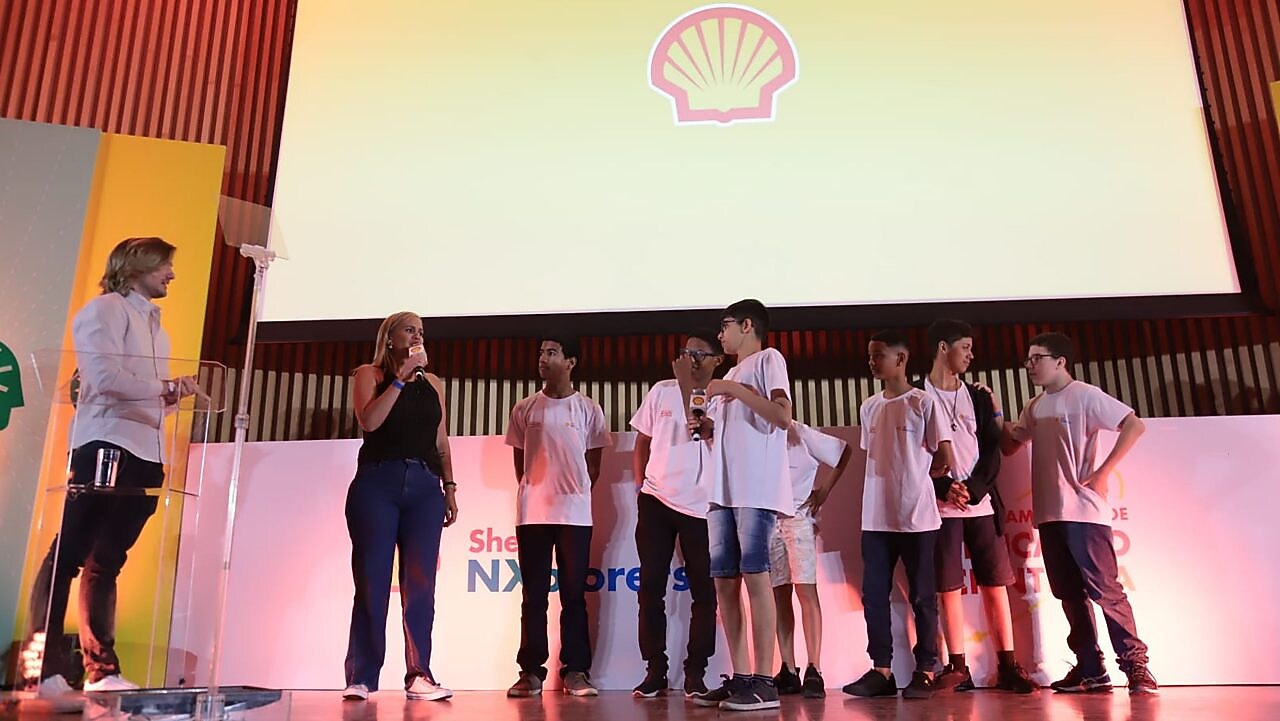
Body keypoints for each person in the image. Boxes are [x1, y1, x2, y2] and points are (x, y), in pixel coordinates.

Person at [27, 236, 198, 693]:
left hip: (146, 452)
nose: (171, 274)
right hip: (106, 444)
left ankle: (101, 671)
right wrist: (164, 388)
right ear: (137, 265)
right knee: (68, 555)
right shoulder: (104, 311)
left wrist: (173, 396)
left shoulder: (156, 327)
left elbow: (143, 392)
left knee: (106, 562)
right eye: (164, 265)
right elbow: (103, 378)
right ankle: (42, 669)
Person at [1001, 332, 1158, 695]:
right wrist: (992, 411)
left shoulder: (1085, 395)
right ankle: (1091, 668)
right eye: (1028, 359)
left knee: (1106, 590)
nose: (1030, 365)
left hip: (1084, 512)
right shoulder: (1034, 405)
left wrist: (1103, 472)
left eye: (1037, 358)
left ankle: (1135, 666)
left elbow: (1134, 424)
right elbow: (1011, 445)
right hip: (1049, 514)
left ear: (1060, 361)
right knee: (1069, 593)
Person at [342, 311, 458, 702]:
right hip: (378, 483)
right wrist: (400, 378)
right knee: (372, 582)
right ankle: (362, 677)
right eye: (410, 330)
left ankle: (420, 675)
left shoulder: (434, 384)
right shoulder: (369, 375)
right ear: (390, 338)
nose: (417, 336)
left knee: (422, 586)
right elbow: (370, 421)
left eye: (421, 331)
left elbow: (440, 441)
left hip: (425, 486)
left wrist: (450, 487)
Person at [914, 319, 1035, 693]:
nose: (970, 355)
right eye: (964, 347)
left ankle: (1008, 666)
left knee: (996, 582)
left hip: (981, 504)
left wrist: (975, 488)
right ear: (943, 347)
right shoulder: (917, 396)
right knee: (947, 586)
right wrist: (944, 486)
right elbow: (913, 453)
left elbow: (993, 449)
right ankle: (958, 667)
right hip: (940, 507)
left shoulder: (978, 396)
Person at [692, 299, 794, 712]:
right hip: (723, 491)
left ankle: (766, 682)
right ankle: (741, 677)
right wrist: (707, 426)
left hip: (755, 489)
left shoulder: (769, 360)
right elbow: (731, 430)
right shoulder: (730, 375)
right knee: (724, 583)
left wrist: (732, 390)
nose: (721, 335)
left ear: (747, 325)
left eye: (725, 326)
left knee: (755, 576)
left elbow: (782, 415)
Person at [843, 329, 954, 701]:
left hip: (917, 518)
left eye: (878, 355)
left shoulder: (923, 402)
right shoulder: (869, 406)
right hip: (875, 518)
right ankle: (882, 671)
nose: (871, 361)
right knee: (874, 595)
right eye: (870, 355)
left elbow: (944, 457)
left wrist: (915, 479)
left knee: (922, 596)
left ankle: (927, 669)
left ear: (901, 359)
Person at [505, 337, 612, 697]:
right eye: (540, 352)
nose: (542, 359)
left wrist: (572, 493)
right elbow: (520, 465)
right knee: (533, 595)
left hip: (575, 515)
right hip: (532, 514)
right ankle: (530, 672)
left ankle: (576, 671)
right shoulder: (525, 408)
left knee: (574, 595)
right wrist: (539, 491)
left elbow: (593, 466)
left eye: (551, 353)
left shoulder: (588, 409)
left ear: (570, 362)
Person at [629, 332, 722, 699]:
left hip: (703, 507)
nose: (692, 358)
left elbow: (703, 427)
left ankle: (696, 673)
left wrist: (690, 387)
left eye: (701, 353)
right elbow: (642, 440)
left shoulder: (724, 396)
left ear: (718, 360)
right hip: (656, 500)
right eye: (687, 352)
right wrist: (640, 485)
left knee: (705, 593)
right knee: (651, 589)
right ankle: (655, 670)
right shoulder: (661, 390)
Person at [770, 421, 852, 698]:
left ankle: (814, 668)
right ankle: (788, 668)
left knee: (806, 591)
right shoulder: (756, 434)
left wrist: (824, 490)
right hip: (769, 520)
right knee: (779, 594)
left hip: (798, 519)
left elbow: (843, 451)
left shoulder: (801, 433)